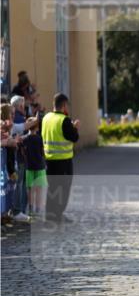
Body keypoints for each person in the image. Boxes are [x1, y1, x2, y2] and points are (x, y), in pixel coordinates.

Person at [42, 93, 79, 223]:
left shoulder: (46, 118)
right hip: (63, 161)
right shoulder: (64, 120)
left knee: (52, 189)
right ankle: (58, 215)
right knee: (63, 190)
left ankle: (50, 215)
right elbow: (74, 137)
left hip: (49, 160)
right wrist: (75, 128)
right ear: (63, 105)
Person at [22, 116, 46, 219]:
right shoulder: (39, 138)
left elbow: (23, 152)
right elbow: (42, 152)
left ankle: (31, 209)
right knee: (39, 189)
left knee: (30, 189)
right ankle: (38, 209)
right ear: (37, 128)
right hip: (40, 166)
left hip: (29, 166)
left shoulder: (25, 139)